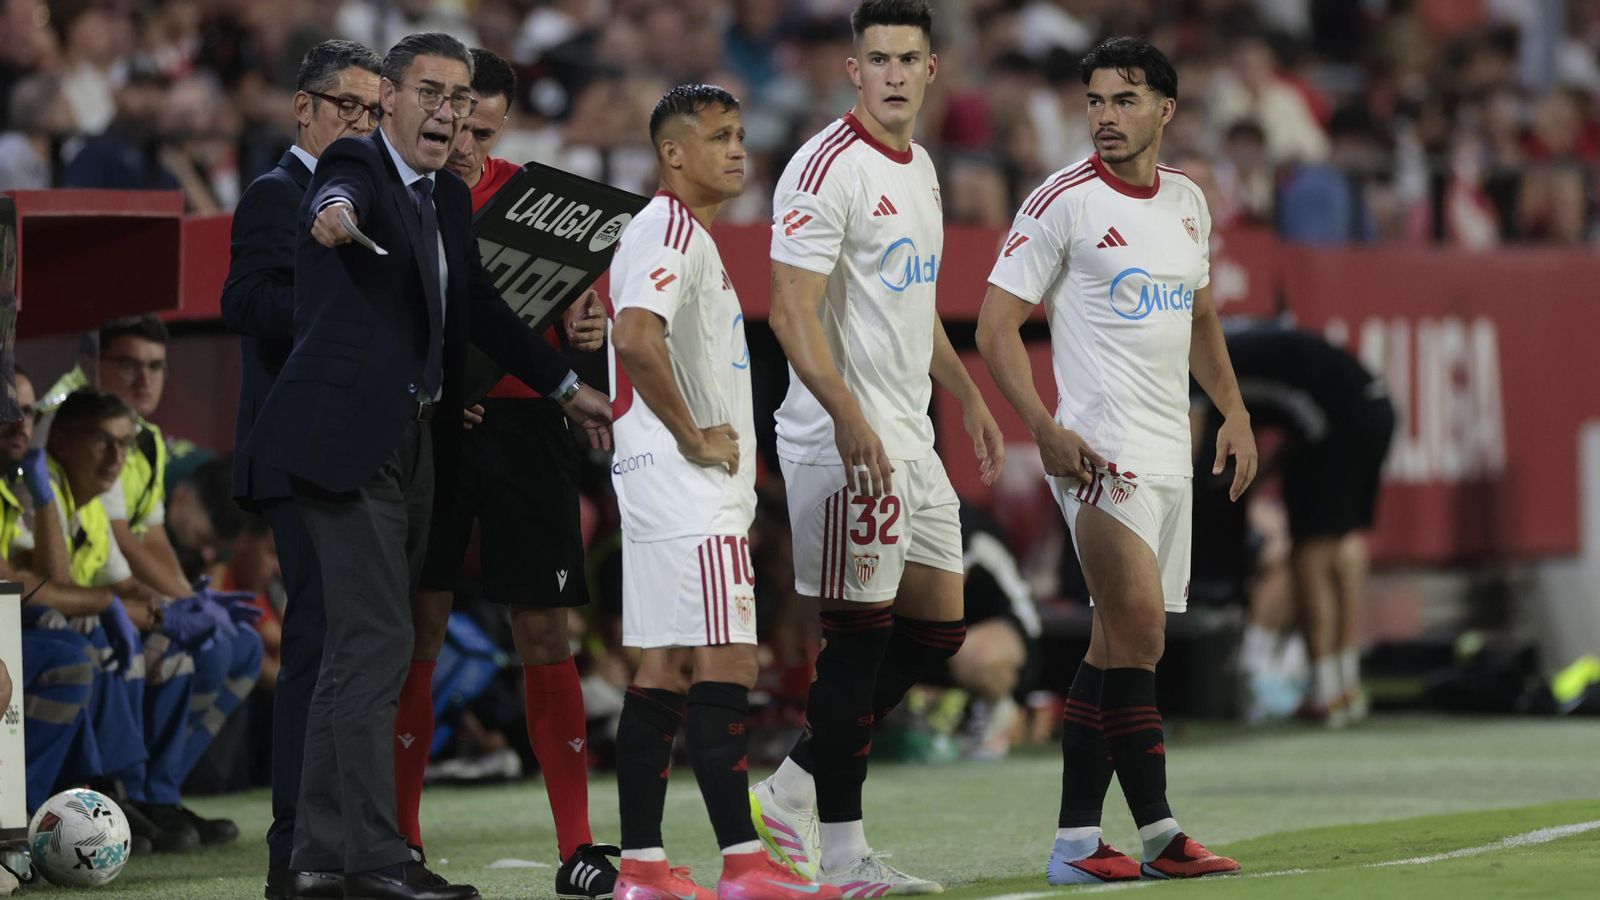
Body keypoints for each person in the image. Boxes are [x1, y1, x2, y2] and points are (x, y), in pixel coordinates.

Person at [242, 31, 610, 900]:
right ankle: (372, 859)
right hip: (342, 446)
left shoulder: (444, 197)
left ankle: (317, 861)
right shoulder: (362, 169)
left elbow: (479, 305)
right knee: (374, 644)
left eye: (458, 98)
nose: (446, 113)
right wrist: (330, 213)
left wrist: (563, 384)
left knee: (358, 650)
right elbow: (337, 190)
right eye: (429, 94)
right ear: (391, 98)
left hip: (412, 442)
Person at [975, 36, 1256, 883]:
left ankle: (1072, 845)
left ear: (1165, 110)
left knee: (1120, 648)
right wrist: (1041, 426)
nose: (1105, 116)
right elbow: (994, 326)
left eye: (1124, 100)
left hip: (1173, 454)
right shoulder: (1060, 201)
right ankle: (1162, 834)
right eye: (1094, 101)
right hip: (1096, 454)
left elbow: (1201, 317)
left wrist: (1235, 410)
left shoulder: (1186, 203)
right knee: (1135, 636)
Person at [749, 2, 1004, 894]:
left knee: (937, 629)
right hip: (840, 435)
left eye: (908, 58)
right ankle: (846, 856)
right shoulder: (824, 167)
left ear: (933, 70)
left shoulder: (924, 167)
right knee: (856, 642)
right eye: (877, 59)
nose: (893, 73)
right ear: (852, 72)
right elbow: (789, 309)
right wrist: (847, 414)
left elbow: (913, 299)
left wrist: (967, 394)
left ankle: (788, 787)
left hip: (910, 431)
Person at [608, 83, 837, 900]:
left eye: (741, 134)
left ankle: (641, 869)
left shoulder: (672, 232)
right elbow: (637, 336)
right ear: (674, 155)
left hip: (663, 487)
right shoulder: (668, 226)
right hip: (687, 486)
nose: (738, 150)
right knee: (726, 660)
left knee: (666, 667)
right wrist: (695, 436)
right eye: (719, 137)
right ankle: (744, 864)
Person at [400, 47, 616, 898]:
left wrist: (586, 331)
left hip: (531, 422)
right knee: (420, 628)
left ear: (501, 122)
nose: (463, 139)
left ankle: (580, 847)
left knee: (547, 633)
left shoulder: (541, 201)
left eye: (480, 126)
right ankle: (404, 843)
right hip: (437, 427)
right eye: (453, 119)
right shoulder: (407, 192)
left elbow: (575, 318)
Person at [218, 37, 382, 900]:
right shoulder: (275, 194)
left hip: (349, 449)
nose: (359, 122)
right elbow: (241, 302)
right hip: (297, 451)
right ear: (304, 109)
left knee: (349, 650)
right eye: (345, 107)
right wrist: (343, 311)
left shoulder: (366, 195)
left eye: (371, 110)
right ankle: (295, 853)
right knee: (317, 650)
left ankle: (342, 841)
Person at [43, 314, 264, 849]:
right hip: (63, 605)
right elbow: (119, 539)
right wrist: (172, 610)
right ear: (94, 363)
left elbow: (150, 535)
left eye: (157, 368)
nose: (146, 380)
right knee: (183, 650)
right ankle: (120, 794)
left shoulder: (143, 437)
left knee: (239, 646)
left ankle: (155, 794)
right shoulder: (69, 428)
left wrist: (187, 602)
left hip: (99, 594)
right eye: (130, 365)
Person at [1197, 323, 1395, 726]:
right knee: (1342, 541)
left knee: (1311, 550)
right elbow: (1300, 407)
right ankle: (1343, 685)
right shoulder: (1240, 346)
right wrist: (1263, 474)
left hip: (1336, 421)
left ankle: (1325, 690)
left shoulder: (1194, 369)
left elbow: (1187, 450)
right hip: (1375, 405)